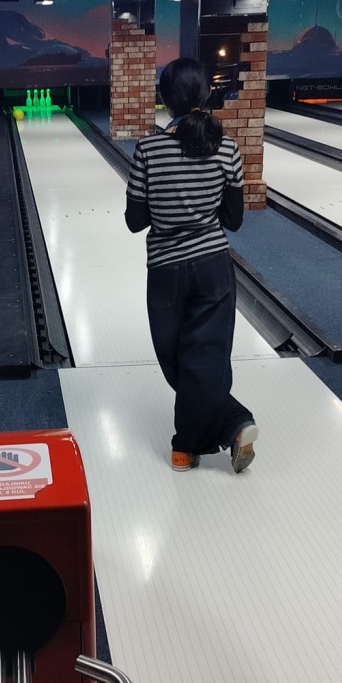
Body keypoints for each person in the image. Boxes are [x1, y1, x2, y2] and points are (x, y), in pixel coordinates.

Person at [125, 57, 258, 473]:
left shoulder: (148, 150)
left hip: (166, 270)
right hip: (213, 265)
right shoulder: (227, 148)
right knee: (206, 356)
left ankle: (186, 447)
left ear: (164, 99)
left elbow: (135, 221)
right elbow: (234, 220)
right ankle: (234, 424)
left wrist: (167, 203)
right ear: (207, 95)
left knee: (176, 359)